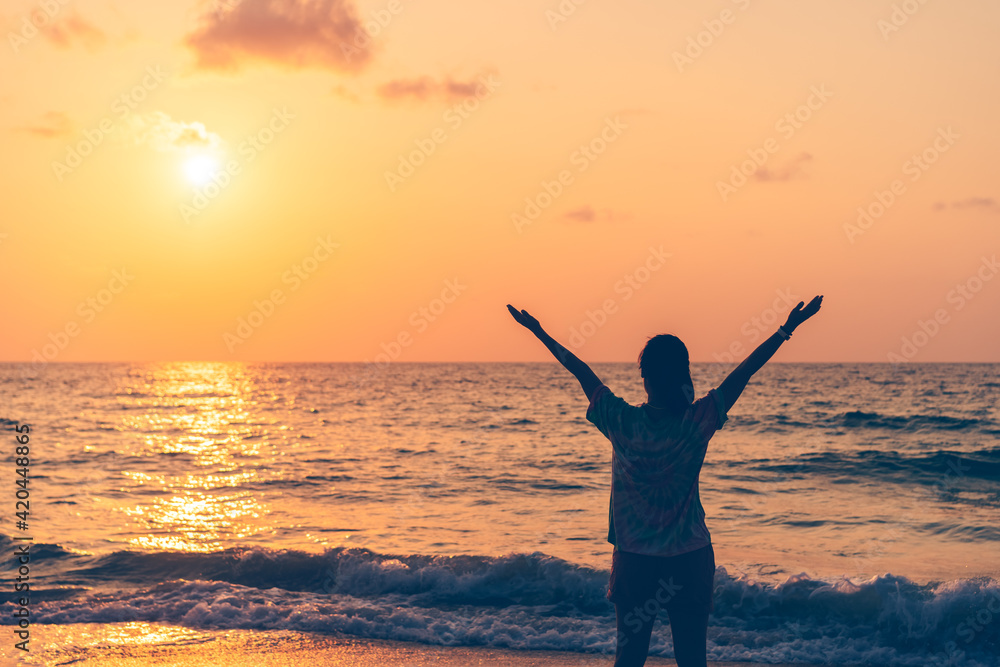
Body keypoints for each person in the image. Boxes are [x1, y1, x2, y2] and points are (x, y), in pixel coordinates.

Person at [506, 295, 823, 667]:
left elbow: (580, 370)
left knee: (629, 658)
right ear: (684, 374)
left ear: (645, 377)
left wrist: (539, 332)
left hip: (635, 560)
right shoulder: (698, 420)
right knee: (692, 661)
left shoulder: (621, 421)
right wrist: (786, 329)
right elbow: (744, 372)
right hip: (689, 559)